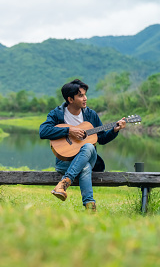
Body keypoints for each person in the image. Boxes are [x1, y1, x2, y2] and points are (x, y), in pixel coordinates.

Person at [39, 79, 126, 212]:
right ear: (70, 99)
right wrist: (69, 130)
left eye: (85, 95)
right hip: (64, 162)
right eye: (80, 95)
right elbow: (43, 131)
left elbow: (101, 138)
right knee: (84, 167)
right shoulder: (57, 114)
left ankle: (64, 183)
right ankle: (90, 206)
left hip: (89, 157)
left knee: (89, 147)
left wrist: (115, 130)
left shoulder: (91, 115)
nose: (85, 98)